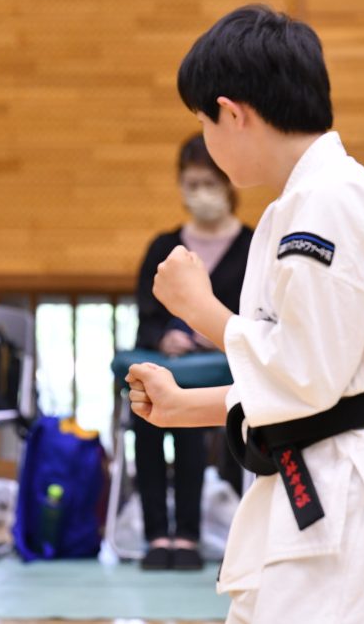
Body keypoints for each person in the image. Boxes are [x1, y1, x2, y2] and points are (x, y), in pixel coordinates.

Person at [126, 5, 364, 623]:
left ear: (232, 113)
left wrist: (202, 310)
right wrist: (188, 406)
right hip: (352, 476)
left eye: (203, 123)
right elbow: (328, 375)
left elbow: (308, 375)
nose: (208, 141)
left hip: (361, 491)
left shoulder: (327, 201)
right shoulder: (321, 196)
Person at [132, 133, 252, 570]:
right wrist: (165, 338)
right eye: (192, 184)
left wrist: (215, 331)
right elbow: (145, 316)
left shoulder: (253, 246)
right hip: (172, 363)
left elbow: (260, 318)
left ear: (228, 185)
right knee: (145, 409)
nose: (201, 193)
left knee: (190, 414)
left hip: (226, 370)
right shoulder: (163, 247)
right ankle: (156, 534)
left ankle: (188, 534)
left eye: (210, 183)